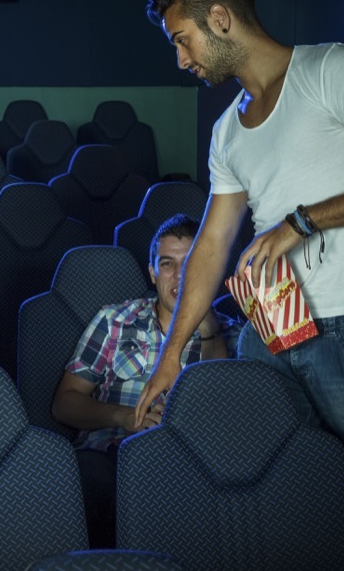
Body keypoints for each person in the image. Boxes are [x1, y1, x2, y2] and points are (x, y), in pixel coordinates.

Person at [135, 0, 344, 541]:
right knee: (298, 508)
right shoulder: (228, 129)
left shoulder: (334, 70)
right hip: (270, 334)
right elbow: (212, 243)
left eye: (183, 40)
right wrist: (172, 355)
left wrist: (302, 221)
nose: (181, 59)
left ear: (220, 19)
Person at [53, 214, 234, 548]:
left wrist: (209, 332)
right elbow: (65, 403)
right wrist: (124, 417)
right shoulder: (115, 321)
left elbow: (227, 413)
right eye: (167, 264)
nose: (180, 275)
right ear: (152, 273)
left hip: (192, 465)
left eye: (192, 262)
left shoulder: (229, 333)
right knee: (86, 478)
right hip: (111, 458)